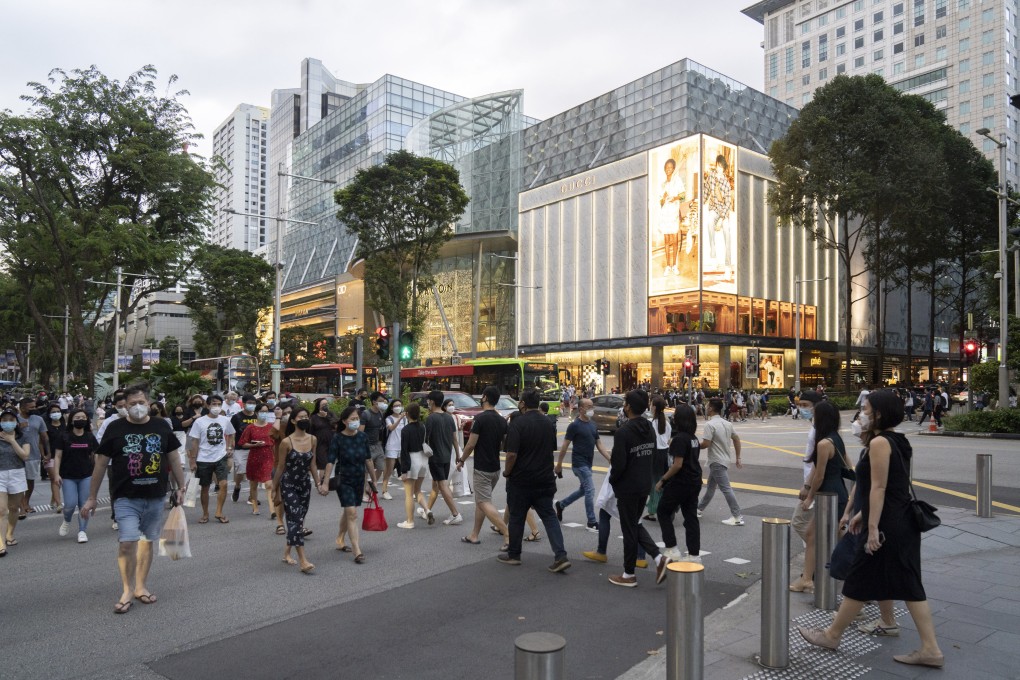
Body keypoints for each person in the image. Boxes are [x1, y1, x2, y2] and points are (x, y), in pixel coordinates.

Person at [799, 390, 945, 669]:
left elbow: (879, 488)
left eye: (865, 409)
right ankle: (930, 649)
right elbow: (894, 486)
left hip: (888, 525)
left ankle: (831, 635)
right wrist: (862, 513)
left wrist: (873, 526)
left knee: (861, 579)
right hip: (901, 522)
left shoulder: (879, 443)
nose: (861, 414)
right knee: (906, 584)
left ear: (878, 413)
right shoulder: (898, 441)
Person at [81, 386, 186, 613]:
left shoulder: (161, 426)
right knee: (127, 542)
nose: (136, 407)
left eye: (140, 402)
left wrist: (181, 487)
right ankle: (127, 589)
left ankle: (140, 586)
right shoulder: (115, 428)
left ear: (148, 403)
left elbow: (174, 459)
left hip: (156, 495)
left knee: (148, 542)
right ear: (124, 406)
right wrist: (91, 498)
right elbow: (100, 464)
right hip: (125, 496)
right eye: (131, 404)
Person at [497, 389, 571, 573]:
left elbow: (512, 454)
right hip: (544, 478)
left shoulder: (517, 423)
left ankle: (514, 554)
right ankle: (560, 555)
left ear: (522, 403)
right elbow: (550, 449)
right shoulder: (547, 422)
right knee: (549, 516)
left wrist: (507, 472)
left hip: (521, 480)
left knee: (516, 516)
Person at [607, 389, 671, 587]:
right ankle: (659, 559)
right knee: (633, 523)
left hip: (627, 486)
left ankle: (628, 574)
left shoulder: (624, 432)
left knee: (629, 529)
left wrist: (613, 481)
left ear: (628, 407)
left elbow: (618, 464)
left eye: (625, 403)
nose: (623, 406)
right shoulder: (649, 427)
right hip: (644, 484)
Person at [791, 396, 849, 593]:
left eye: (814, 413)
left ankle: (851, 576)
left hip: (829, 495)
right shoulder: (835, 438)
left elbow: (819, 474)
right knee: (816, 534)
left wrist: (809, 496)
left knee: (835, 538)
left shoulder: (824, 443)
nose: (810, 415)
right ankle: (807, 578)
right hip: (835, 494)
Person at [457, 386, 510, 544]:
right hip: (495, 467)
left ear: (485, 397)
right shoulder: (501, 420)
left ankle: (506, 532)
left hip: (482, 467)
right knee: (482, 501)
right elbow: (503, 444)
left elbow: (471, 444)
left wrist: (461, 460)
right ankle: (474, 535)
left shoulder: (480, 419)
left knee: (483, 502)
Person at [271, 407, 320, 573]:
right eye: (301, 417)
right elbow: (280, 467)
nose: (304, 419)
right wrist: (274, 488)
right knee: (296, 519)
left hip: (305, 485)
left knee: (299, 520)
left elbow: (312, 464)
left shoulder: (313, 439)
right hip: (289, 484)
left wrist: (319, 483)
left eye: (306, 416)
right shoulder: (286, 442)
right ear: (293, 420)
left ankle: (286, 553)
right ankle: (303, 561)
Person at [323, 406, 371, 564]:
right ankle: (357, 549)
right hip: (343, 479)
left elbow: (368, 459)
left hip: (359, 478)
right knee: (352, 512)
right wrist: (324, 482)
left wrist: (373, 481)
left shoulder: (363, 436)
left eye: (357, 418)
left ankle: (340, 538)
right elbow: (330, 460)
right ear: (344, 421)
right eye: (352, 419)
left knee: (349, 510)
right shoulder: (338, 438)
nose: (355, 421)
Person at [554, 397, 609, 532]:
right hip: (579, 463)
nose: (591, 409)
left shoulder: (592, 424)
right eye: (589, 406)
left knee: (583, 490)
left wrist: (609, 458)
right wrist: (559, 465)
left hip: (588, 463)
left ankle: (561, 505)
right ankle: (591, 521)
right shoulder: (574, 425)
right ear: (581, 409)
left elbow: (599, 444)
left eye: (592, 406)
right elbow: (565, 446)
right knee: (590, 490)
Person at [655, 404, 702, 562]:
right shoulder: (693, 439)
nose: (673, 417)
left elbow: (677, 464)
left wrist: (662, 480)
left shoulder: (680, 439)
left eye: (675, 415)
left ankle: (672, 548)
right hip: (694, 481)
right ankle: (694, 555)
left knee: (662, 511)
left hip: (681, 481)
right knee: (690, 517)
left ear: (680, 419)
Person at [187, 394, 235, 524]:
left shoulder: (225, 420)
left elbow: (231, 433)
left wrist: (229, 447)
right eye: (214, 404)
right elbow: (194, 442)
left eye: (219, 404)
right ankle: (205, 513)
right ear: (207, 405)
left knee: (223, 484)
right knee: (205, 487)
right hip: (203, 459)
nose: (217, 407)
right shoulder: (199, 421)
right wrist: (192, 460)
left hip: (220, 457)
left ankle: (219, 512)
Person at [53, 409, 99, 543]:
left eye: (83, 417)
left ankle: (82, 531)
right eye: (77, 417)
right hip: (68, 476)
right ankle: (67, 520)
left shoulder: (90, 436)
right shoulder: (63, 436)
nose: (80, 419)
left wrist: (96, 472)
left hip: (86, 475)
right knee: (70, 504)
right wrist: (56, 474)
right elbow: (57, 456)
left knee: (84, 505)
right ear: (71, 420)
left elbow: (96, 455)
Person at [697, 398, 744, 526]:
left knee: (726, 489)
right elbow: (736, 439)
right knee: (711, 487)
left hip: (716, 461)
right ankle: (699, 509)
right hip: (722, 459)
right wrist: (738, 457)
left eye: (707, 406)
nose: (706, 407)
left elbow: (706, 444)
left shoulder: (709, 425)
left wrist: (693, 445)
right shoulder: (727, 423)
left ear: (711, 408)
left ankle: (737, 516)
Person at [422, 390, 463, 526]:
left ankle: (455, 513)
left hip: (436, 457)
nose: (427, 403)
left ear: (432, 401)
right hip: (447, 456)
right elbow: (454, 439)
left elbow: (425, 439)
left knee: (442, 485)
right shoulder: (448, 417)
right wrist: (458, 455)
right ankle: (427, 509)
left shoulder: (431, 418)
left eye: (428, 401)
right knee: (440, 485)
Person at [395, 403, 430, 529]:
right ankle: (427, 510)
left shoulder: (405, 430)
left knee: (409, 494)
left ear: (407, 414)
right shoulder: (423, 426)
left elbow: (404, 451)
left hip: (412, 460)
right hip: (423, 459)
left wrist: (403, 470)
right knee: (418, 490)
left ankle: (409, 521)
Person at [0, 408, 30, 554]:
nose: (7, 423)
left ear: (16, 422)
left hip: (17, 474)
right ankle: (1, 543)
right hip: (0, 475)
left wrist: (12, 440)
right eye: (4, 420)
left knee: (13, 508)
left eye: (11, 420)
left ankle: (10, 533)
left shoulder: (22, 437)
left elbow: (25, 455)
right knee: (1, 510)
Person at [237, 402, 275, 515]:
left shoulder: (271, 427)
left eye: (266, 411)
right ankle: (255, 507)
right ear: (257, 413)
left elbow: (275, 443)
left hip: (268, 456)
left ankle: (272, 509)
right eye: (262, 411)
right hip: (254, 457)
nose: (264, 414)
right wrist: (253, 445)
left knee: (269, 484)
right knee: (253, 484)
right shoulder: (250, 427)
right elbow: (242, 443)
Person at [16, 397, 50, 518]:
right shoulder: (14, 419)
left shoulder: (38, 419)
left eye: (34, 406)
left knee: (30, 481)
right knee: (19, 482)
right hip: (17, 456)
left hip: (34, 455)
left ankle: (26, 502)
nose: (34, 409)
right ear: (22, 408)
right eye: (31, 407)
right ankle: (21, 507)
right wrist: (18, 426)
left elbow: (45, 437)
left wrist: (47, 453)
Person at [642, 396, 671, 522]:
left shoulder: (652, 423)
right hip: (664, 454)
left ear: (654, 407)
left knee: (654, 482)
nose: (650, 405)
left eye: (651, 403)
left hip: (654, 454)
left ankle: (653, 510)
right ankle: (655, 506)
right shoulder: (667, 423)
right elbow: (668, 440)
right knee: (661, 481)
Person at [229, 394, 260, 505]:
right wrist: (230, 444)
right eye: (249, 403)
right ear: (244, 403)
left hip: (255, 447)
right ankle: (237, 486)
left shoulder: (257, 416)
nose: (251, 405)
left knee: (254, 472)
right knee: (241, 471)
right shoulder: (236, 417)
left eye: (253, 403)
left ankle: (252, 496)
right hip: (240, 447)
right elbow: (231, 432)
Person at [360, 392, 388, 490]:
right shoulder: (366, 414)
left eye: (383, 401)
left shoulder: (380, 413)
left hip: (377, 444)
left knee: (381, 467)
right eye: (380, 401)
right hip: (367, 446)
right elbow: (360, 432)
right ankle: (364, 492)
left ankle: (370, 486)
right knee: (366, 471)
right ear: (374, 402)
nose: (383, 403)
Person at [381, 398, 406, 500]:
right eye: (395, 406)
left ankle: (410, 490)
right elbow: (391, 428)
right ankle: (384, 490)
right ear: (391, 408)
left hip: (402, 447)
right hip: (391, 447)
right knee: (389, 470)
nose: (398, 407)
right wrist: (399, 419)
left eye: (399, 405)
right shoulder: (389, 418)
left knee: (405, 469)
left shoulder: (405, 419)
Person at [309, 398, 335, 486]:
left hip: (330, 440)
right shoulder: (314, 417)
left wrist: (327, 417)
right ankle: (321, 482)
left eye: (326, 404)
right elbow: (310, 430)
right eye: (323, 404)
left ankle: (323, 480)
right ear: (318, 406)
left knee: (329, 461)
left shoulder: (330, 414)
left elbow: (335, 424)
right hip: (319, 441)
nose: (325, 406)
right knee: (323, 462)